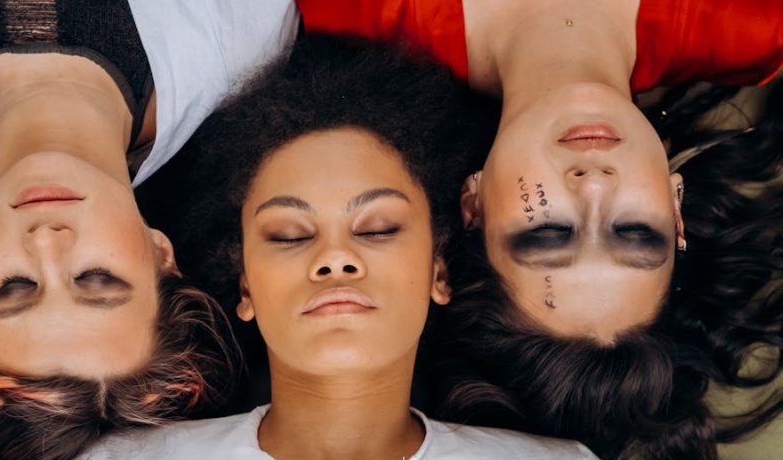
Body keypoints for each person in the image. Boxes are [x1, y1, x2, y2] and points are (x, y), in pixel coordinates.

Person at [44, 36, 629, 460]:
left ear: (439, 271)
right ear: (244, 286)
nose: (334, 258)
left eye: (377, 228)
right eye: (290, 235)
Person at [0, 0, 298, 460]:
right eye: (96, 278)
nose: (46, 242)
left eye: (15, 287)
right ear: (160, 254)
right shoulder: (248, 40)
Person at [295, 0, 782, 341]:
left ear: (473, 203)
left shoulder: (354, 12)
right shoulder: (757, 25)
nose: (593, 184)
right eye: (633, 230)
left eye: (548, 231)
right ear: (676, 204)